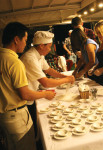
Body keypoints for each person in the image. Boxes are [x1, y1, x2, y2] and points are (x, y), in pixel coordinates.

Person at [0, 22, 56, 150]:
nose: (26, 43)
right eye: (25, 40)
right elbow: (25, 94)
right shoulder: (14, 62)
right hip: (15, 116)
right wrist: (45, 94)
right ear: (16, 40)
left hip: (4, 116)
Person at [20, 31, 75, 135]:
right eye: (49, 47)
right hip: (25, 100)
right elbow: (46, 83)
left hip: (32, 94)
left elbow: (49, 70)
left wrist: (65, 76)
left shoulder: (39, 55)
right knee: (33, 130)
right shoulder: (30, 58)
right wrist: (67, 80)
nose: (50, 49)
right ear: (41, 46)